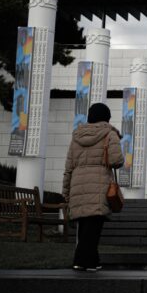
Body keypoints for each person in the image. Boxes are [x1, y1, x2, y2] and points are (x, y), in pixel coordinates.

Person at [62, 103, 124, 273]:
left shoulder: (76, 136)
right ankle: (83, 261)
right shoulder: (110, 134)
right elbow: (116, 160)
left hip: (77, 185)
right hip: (99, 185)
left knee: (84, 226)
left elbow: (68, 168)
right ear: (106, 118)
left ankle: (91, 261)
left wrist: (65, 192)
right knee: (94, 226)